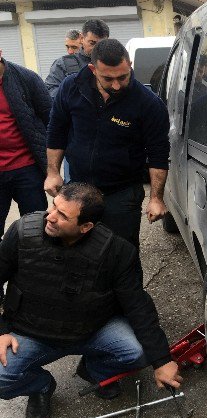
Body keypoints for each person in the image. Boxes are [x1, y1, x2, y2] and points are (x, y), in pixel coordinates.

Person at [0, 182, 181, 418]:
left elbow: (138, 305)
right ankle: (41, 386)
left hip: (91, 330)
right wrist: (1, 331)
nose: (50, 217)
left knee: (137, 353)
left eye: (63, 215)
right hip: (31, 331)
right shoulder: (22, 232)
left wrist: (162, 360)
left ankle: (95, 369)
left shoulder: (117, 252)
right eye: (54, 207)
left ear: (86, 227)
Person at [45, 39, 169, 249]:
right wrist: (53, 172)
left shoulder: (148, 103)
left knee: (121, 253)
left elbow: (158, 153)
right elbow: (56, 132)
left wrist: (156, 197)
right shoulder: (70, 87)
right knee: (74, 250)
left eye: (123, 77)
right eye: (108, 78)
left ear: (129, 64)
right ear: (93, 69)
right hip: (78, 189)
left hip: (122, 193)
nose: (117, 85)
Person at [0, 49, 51, 238]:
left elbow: (50, 118)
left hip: (27, 168)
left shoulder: (26, 79)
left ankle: (36, 267)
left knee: (35, 228)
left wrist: (52, 168)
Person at [45, 19, 109, 99]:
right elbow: (51, 91)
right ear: (82, 38)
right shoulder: (63, 64)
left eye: (102, 44)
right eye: (92, 43)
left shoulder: (115, 62)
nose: (97, 48)